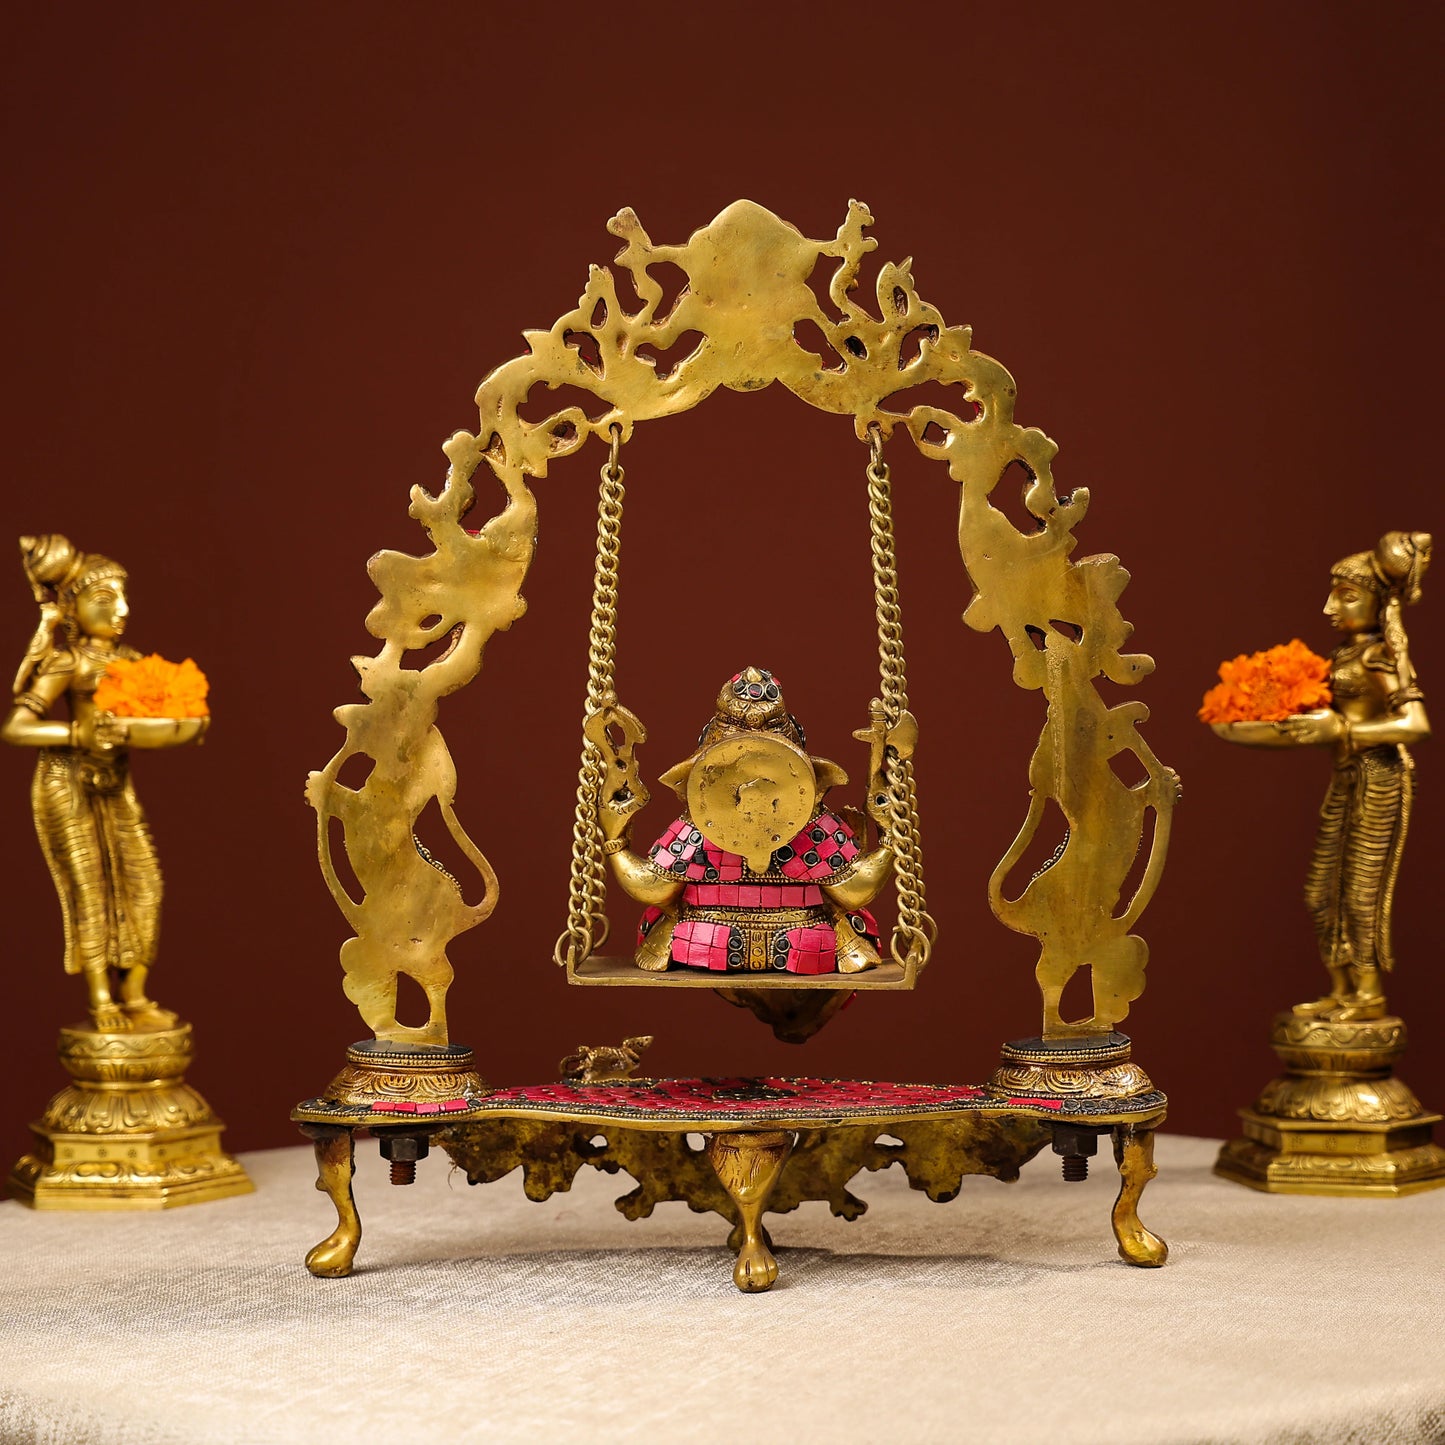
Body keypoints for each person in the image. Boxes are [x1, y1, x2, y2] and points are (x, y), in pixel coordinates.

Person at [1, 535, 205, 1031]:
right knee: (88, 884)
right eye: (104, 600)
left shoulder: (132, 660)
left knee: (143, 884)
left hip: (115, 783)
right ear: (72, 608)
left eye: (123, 598)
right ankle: (100, 997)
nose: (120, 610)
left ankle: (133, 993)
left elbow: (165, 713)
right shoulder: (68, 661)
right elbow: (17, 727)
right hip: (66, 782)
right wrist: (76, 731)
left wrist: (185, 722)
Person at [597, 667, 896, 975]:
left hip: (804, 938)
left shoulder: (809, 825)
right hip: (706, 940)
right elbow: (654, 886)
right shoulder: (701, 827)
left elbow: (854, 890)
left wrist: (889, 829)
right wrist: (615, 838)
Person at [1268, 532, 1431, 1020]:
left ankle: (1368, 994)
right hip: (1345, 778)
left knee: (1362, 893)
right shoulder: (1344, 655)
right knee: (1319, 892)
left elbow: (1415, 724)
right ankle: (1339, 988)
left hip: (1380, 779)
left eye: (1347, 595)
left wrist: (1341, 727)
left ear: (1379, 602)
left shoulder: (1382, 655)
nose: (1329, 607)